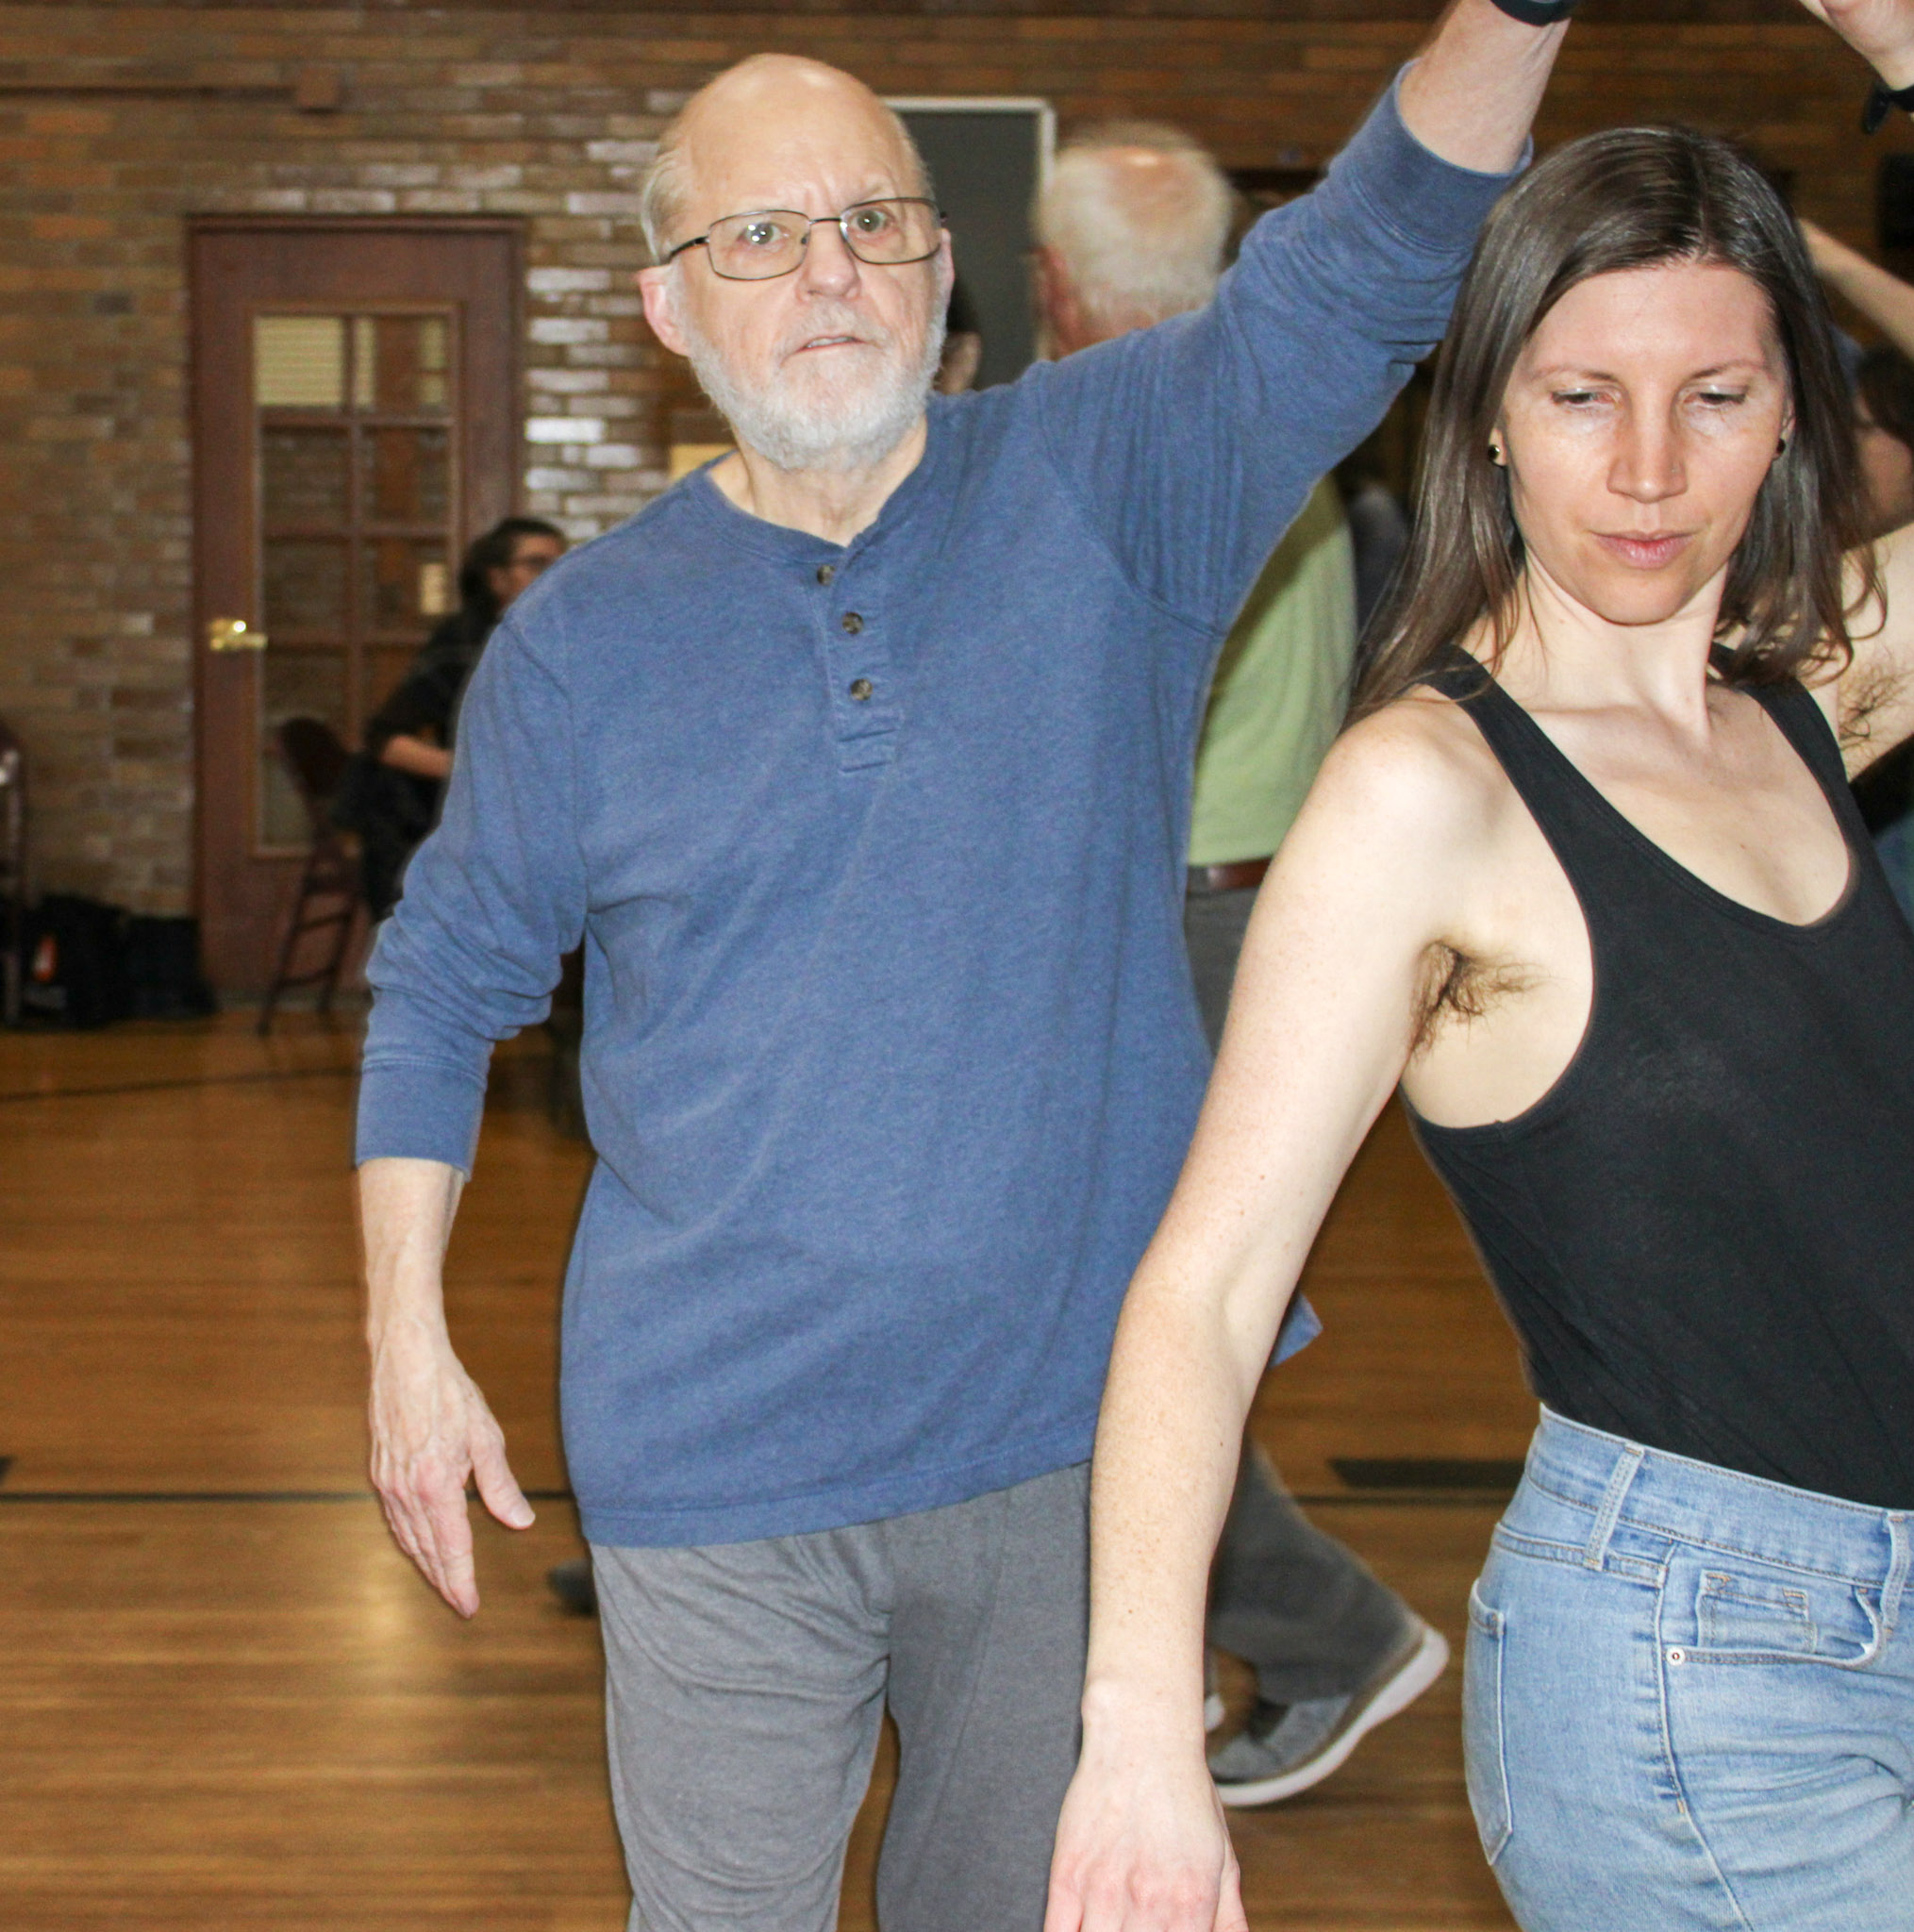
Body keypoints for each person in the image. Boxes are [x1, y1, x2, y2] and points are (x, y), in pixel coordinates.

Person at [356, 12, 1569, 1929]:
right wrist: (405, 1345)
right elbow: (440, 986)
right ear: (667, 306)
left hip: (1064, 1445)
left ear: (941, 266)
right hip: (708, 1448)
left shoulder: (1110, 480)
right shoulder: (578, 644)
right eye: (759, 235)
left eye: (873, 221)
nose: (827, 271)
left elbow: (1368, 261)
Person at [1046, 16, 1914, 1929]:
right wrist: (1135, 1735)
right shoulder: (1420, 798)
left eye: (1715, 395)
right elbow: (1203, 1287)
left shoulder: (1806, 697)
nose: (1648, 468)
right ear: (1490, 414)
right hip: (1698, 1672)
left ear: (1793, 414)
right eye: (1581, 394)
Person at [1033, 122, 1447, 1808]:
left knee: (1118, 1340)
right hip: (1253, 914)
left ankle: (1326, 1633)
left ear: (1054, 286)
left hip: (1180, 926)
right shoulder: (1274, 426)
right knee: (1130, 1323)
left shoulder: (1138, 448)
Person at [340, 517, 565, 917]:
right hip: (483, 822)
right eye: (536, 564)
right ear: (497, 579)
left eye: (561, 563)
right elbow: (386, 741)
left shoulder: (560, 640)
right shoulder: (465, 643)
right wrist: (476, 770)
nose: (554, 575)